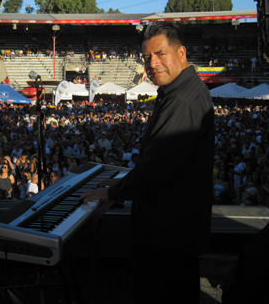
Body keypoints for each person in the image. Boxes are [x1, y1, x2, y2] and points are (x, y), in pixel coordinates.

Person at [80, 22, 214, 304]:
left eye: (160, 54)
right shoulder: (180, 92)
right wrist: (121, 182)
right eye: (146, 57)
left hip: (167, 234)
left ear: (181, 53)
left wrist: (111, 192)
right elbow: (164, 161)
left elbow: (157, 169)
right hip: (172, 229)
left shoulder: (184, 101)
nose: (152, 64)